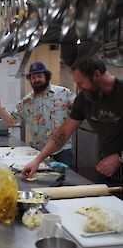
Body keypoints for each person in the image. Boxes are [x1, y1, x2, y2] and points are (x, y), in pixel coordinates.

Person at [22, 55, 123, 198]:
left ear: (97, 75)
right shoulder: (84, 99)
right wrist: (38, 161)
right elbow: (63, 132)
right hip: (106, 166)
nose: (78, 89)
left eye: (81, 83)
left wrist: (118, 156)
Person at [0, 61, 75, 167]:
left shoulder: (64, 93)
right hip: (39, 152)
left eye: (39, 76)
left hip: (63, 150)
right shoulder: (26, 102)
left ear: (46, 76)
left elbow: (78, 111)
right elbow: (11, 121)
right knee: (40, 181)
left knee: (68, 181)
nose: (36, 80)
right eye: (33, 78)